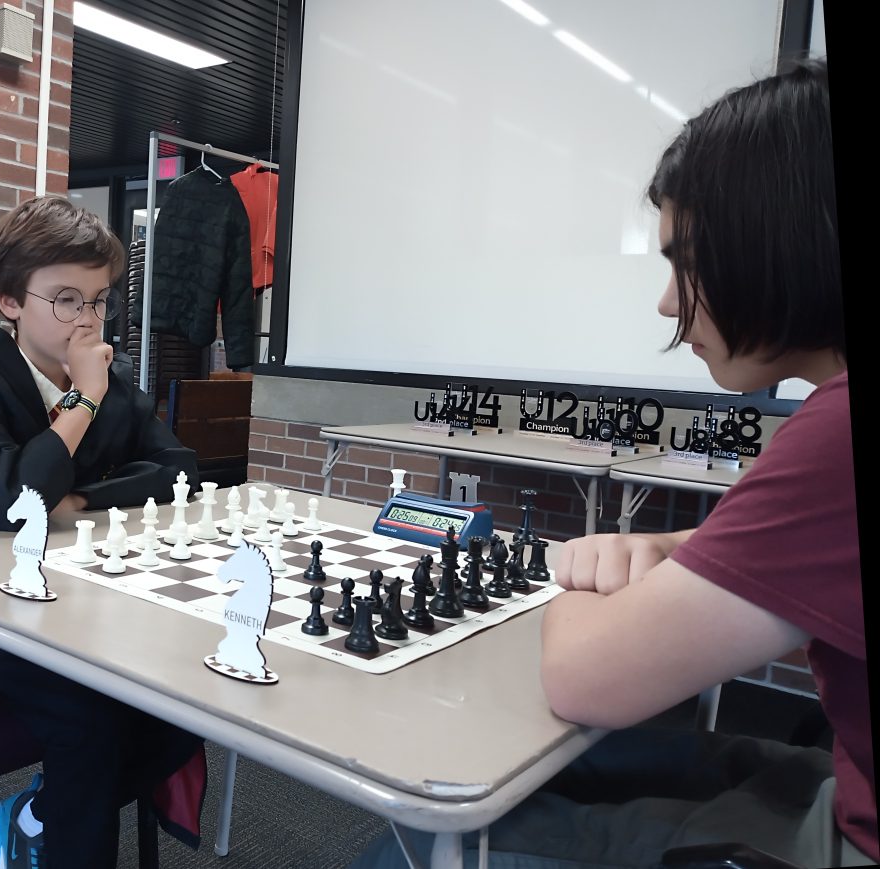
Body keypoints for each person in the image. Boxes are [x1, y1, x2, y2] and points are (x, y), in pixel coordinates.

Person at [350, 57, 876, 869]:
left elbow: (582, 677)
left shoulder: (835, 433)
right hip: (842, 786)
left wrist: (574, 582)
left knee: (415, 849)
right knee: (548, 777)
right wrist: (669, 546)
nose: (668, 302)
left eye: (685, 260)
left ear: (776, 240)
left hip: (848, 835)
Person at [0, 196, 206, 869]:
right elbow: (8, 498)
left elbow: (178, 470)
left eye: (99, 301)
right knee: (89, 721)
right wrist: (82, 400)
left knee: (187, 703)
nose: (88, 320)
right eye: (66, 300)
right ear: (10, 301)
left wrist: (80, 497)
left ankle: (32, 817)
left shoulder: (111, 385)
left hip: (80, 598)